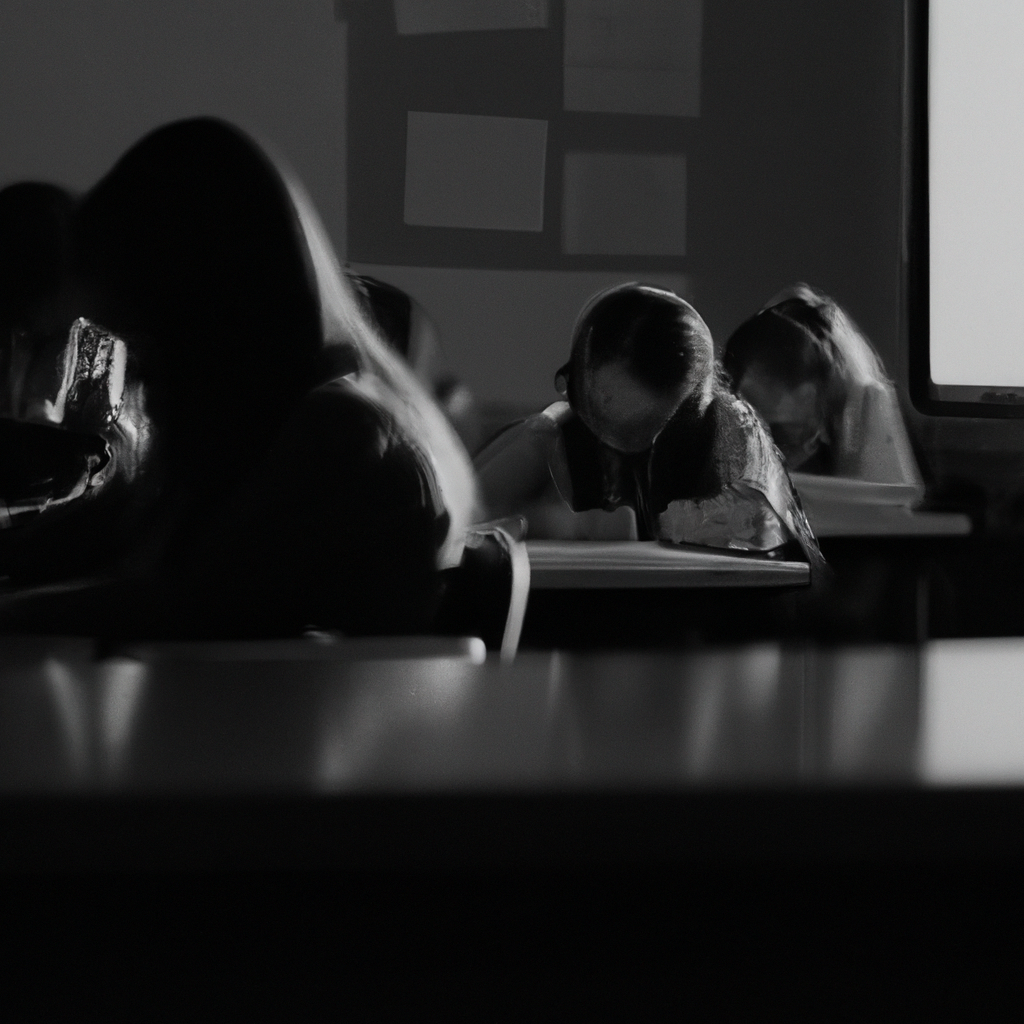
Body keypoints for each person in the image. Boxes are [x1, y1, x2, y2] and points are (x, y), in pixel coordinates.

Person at [0, 117, 484, 639]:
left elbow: (183, 609)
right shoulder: (342, 409)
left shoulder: (338, 435)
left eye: (147, 334)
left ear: (201, 304)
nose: (144, 379)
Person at [474, 283, 824, 569]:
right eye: (587, 402)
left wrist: (601, 529)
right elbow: (458, 523)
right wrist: (546, 519)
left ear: (685, 416)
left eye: (637, 431)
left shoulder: (733, 434)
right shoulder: (554, 434)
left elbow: (753, 556)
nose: (602, 435)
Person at [722, 283, 922, 485]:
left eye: (795, 432)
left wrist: (872, 404)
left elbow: (887, 509)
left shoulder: (859, 406)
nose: (817, 440)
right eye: (781, 434)